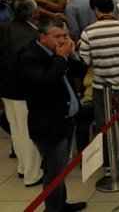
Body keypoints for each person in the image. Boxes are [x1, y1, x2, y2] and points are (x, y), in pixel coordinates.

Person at [18, 18, 87, 212]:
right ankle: (53, 209)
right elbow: (45, 82)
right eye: (58, 36)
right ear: (43, 37)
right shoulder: (29, 56)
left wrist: (72, 55)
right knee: (54, 172)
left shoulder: (61, 53)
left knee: (60, 170)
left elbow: (81, 71)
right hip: (48, 125)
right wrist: (61, 58)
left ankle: (60, 204)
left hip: (66, 119)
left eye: (65, 35)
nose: (63, 40)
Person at [79, 0, 119, 166]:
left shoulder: (88, 32)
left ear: (96, 10)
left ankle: (107, 163)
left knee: (103, 126)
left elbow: (86, 61)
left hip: (101, 87)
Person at [0, 0, 44, 187]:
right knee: (28, 132)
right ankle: (32, 174)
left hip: (7, 88)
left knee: (16, 131)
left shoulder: (4, 28)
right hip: (24, 90)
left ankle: (22, 167)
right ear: (33, 13)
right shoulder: (32, 35)